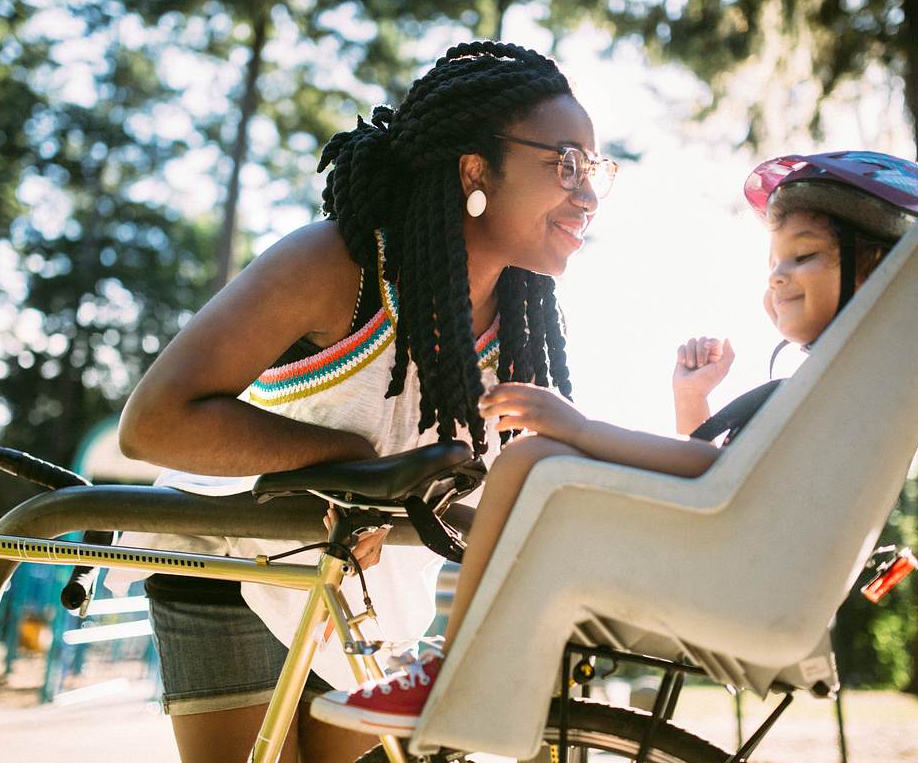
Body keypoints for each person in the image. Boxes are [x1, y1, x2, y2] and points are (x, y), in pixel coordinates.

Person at [308, 150, 918, 737]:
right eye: (773, 263)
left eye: (804, 256)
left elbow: (732, 472)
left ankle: (460, 673)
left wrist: (580, 428)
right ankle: (476, 671)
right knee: (537, 464)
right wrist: (692, 401)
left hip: (745, 578)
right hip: (742, 567)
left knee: (533, 457)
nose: (779, 278)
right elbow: (721, 481)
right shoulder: (845, 381)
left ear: (878, 269)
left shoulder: (840, 387)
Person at [113, 41, 618, 763]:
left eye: (595, 168)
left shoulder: (523, 326)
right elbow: (154, 422)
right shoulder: (335, 267)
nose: (588, 192)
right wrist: (343, 464)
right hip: (235, 557)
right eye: (564, 163)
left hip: (364, 594)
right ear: (474, 169)